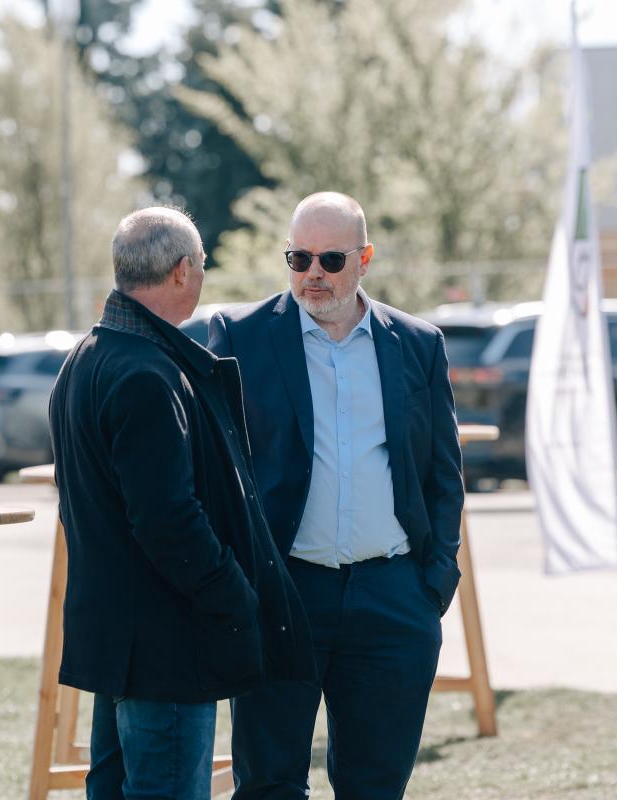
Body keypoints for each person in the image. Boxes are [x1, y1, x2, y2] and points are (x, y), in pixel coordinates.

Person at [47, 207, 314, 800]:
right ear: (180, 271)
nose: (202, 275)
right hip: (166, 648)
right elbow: (168, 521)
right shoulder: (147, 374)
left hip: (120, 644)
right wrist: (235, 595)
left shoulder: (86, 358)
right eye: (202, 264)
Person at [208, 191, 464, 799]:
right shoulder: (240, 336)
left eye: (330, 259)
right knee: (269, 786)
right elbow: (215, 470)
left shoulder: (418, 343)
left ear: (364, 259)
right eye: (299, 259)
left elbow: (442, 473)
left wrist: (433, 582)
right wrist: (242, 582)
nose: (313, 274)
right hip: (284, 594)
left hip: (393, 599)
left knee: (375, 787)